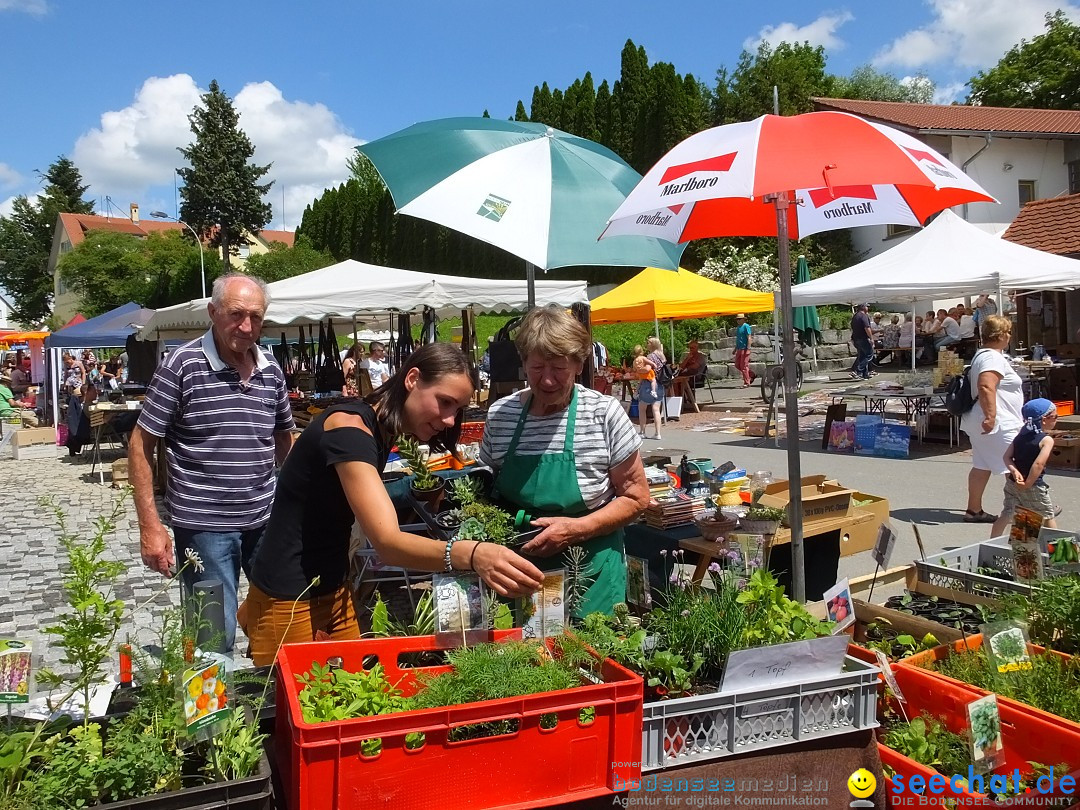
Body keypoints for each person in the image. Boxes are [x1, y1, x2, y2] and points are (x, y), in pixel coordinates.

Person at [239, 343, 544, 665]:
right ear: (412, 379)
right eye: (445, 402)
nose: (452, 420)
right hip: (288, 596)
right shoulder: (349, 430)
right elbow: (387, 542)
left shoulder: (377, 428)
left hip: (333, 586)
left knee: (351, 699)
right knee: (290, 705)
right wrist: (474, 554)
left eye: (458, 409)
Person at [129, 273, 295, 655]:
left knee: (279, 627)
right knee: (211, 639)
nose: (247, 326)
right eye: (237, 314)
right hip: (204, 528)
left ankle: (266, 709)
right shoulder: (182, 365)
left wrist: (299, 504)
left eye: (256, 316)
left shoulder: (271, 370)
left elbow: (284, 437)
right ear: (213, 312)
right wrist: (151, 527)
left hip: (265, 521)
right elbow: (140, 443)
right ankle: (213, 714)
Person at [480, 305, 650, 617]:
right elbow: (486, 491)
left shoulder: (603, 413)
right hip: (518, 570)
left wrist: (578, 529)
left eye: (558, 368)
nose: (546, 381)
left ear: (578, 363)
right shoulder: (501, 416)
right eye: (536, 368)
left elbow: (636, 497)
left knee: (592, 657)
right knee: (521, 660)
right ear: (523, 363)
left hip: (590, 570)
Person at [959, 315, 1024, 529]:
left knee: (982, 465)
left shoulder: (982, 355)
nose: (1010, 337)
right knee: (1016, 465)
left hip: (979, 419)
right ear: (1002, 335)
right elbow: (986, 385)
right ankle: (1031, 510)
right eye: (1008, 332)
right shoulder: (993, 358)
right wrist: (991, 416)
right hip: (998, 422)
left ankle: (973, 510)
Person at [1001, 399, 1059, 530]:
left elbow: (1007, 457)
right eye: (1055, 416)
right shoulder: (1046, 440)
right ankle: (1056, 550)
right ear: (1044, 419)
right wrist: (1028, 483)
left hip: (1013, 483)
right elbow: (1038, 464)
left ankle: (992, 543)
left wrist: (1014, 472)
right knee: (1047, 516)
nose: (1057, 419)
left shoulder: (1019, 436)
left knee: (1008, 513)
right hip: (1034, 485)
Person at [632, 345, 662, 439]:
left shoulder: (648, 357)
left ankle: (642, 431)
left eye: (648, 343)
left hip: (646, 384)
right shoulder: (661, 355)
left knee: (642, 409)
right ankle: (658, 433)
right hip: (659, 383)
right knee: (656, 410)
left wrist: (639, 370)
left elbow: (647, 369)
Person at [849, 304, 874, 380]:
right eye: (867, 306)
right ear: (863, 307)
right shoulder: (864, 316)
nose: (868, 308)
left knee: (862, 355)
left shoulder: (855, 316)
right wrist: (871, 338)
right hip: (863, 338)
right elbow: (867, 328)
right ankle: (857, 371)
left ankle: (864, 374)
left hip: (856, 339)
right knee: (869, 354)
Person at [733, 314, 753, 387]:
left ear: (743, 319)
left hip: (745, 348)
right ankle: (751, 374)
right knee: (737, 365)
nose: (738, 321)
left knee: (744, 365)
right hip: (739, 348)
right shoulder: (738, 327)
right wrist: (735, 349)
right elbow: (738, 339)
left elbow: (749, 337)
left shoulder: (746, 326)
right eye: (737, 319)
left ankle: (747, 382)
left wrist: (748, 348)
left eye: (739, 319)